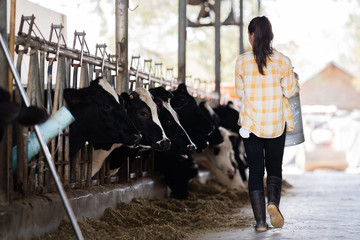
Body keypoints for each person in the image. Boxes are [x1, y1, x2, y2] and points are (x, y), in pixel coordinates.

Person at [235, 16, 299, 232]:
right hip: (275, 125)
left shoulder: (242, 61)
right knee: (274, 169)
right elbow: (290, 92)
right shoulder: (283, 61)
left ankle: (261, 222)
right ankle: (273, 203)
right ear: (271, 36)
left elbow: (239, 92)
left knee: (255, 172)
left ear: (251, 35)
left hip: (251, 126)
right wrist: (294, 79)